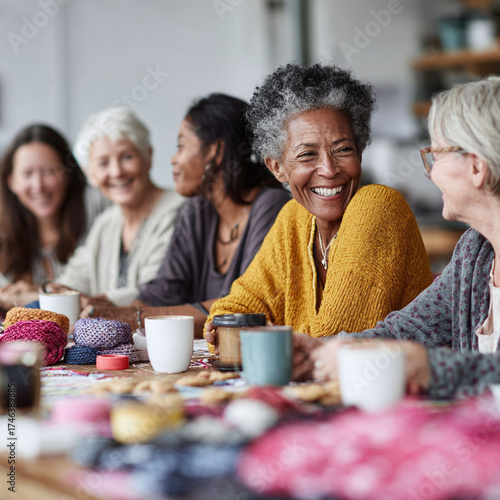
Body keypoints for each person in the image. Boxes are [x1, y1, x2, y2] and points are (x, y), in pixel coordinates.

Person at [293, 77, 500, 400]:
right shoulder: (476, 251)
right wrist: (328, 348)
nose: (429, 172)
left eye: (437, 155)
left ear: (476, 166)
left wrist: (424, 366)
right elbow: (409, 329)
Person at [205, 63, 433, 349]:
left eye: (343, 150)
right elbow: (236, 311)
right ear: (277, 168)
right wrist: (233, 329)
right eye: (307, 155)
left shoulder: (379, 207)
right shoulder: (294, 218)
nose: (328, 169)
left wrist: (251, 338)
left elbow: (334, 341)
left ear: (359, 152)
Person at [81, 94, 291, 335]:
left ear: (215, 151)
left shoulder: (271, 205)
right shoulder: (196, 211)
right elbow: (161, 295)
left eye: (181, 146)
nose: (173, 160)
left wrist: (134, 318)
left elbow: (245, 308)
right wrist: (108, 311)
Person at [50, 107, 185, 307]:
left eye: (127, 157)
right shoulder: (106, 223)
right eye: (103, 163)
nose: (116, 172)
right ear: (90, 174)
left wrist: (94, 303)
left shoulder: (180, 210)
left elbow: (158, 291)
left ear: (148, 156)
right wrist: (40, 292)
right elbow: (69, 282)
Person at [0, 124, 89, 309]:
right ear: (12, 182)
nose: (38, 186)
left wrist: (31, 294)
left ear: (68, 173)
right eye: (27, 174)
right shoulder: (5, 230)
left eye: (49, 171)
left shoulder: (96, 211)